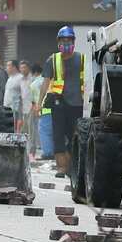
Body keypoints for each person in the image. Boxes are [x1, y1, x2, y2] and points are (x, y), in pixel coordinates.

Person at [40, 26, 86, 177]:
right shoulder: (52, 60)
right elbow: (45, 83)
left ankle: (73, 167)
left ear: (73, 41)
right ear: (58, 42)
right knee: (58, 136)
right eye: (63, 40)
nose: (66, 43)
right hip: (58, 103)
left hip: (78, 104)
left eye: (69, 40)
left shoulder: (83, 59)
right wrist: (39, 104)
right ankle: (61, 168)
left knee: (74, 136)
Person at [30, 63, 51, 160]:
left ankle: (47, 153)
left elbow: (33, 101)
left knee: (44, 132)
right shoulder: (50, 81)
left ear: (34, 73)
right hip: (55, 109)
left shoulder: (33, 84)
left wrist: (35, 111)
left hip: (43, 110)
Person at [4, 60, 25, 132]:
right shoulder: (9, 78)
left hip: (16, 109)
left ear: (14, 67)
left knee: (16, 130)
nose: (6, 68)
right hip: (7, 108)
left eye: (8, 66)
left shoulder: (20, 78)